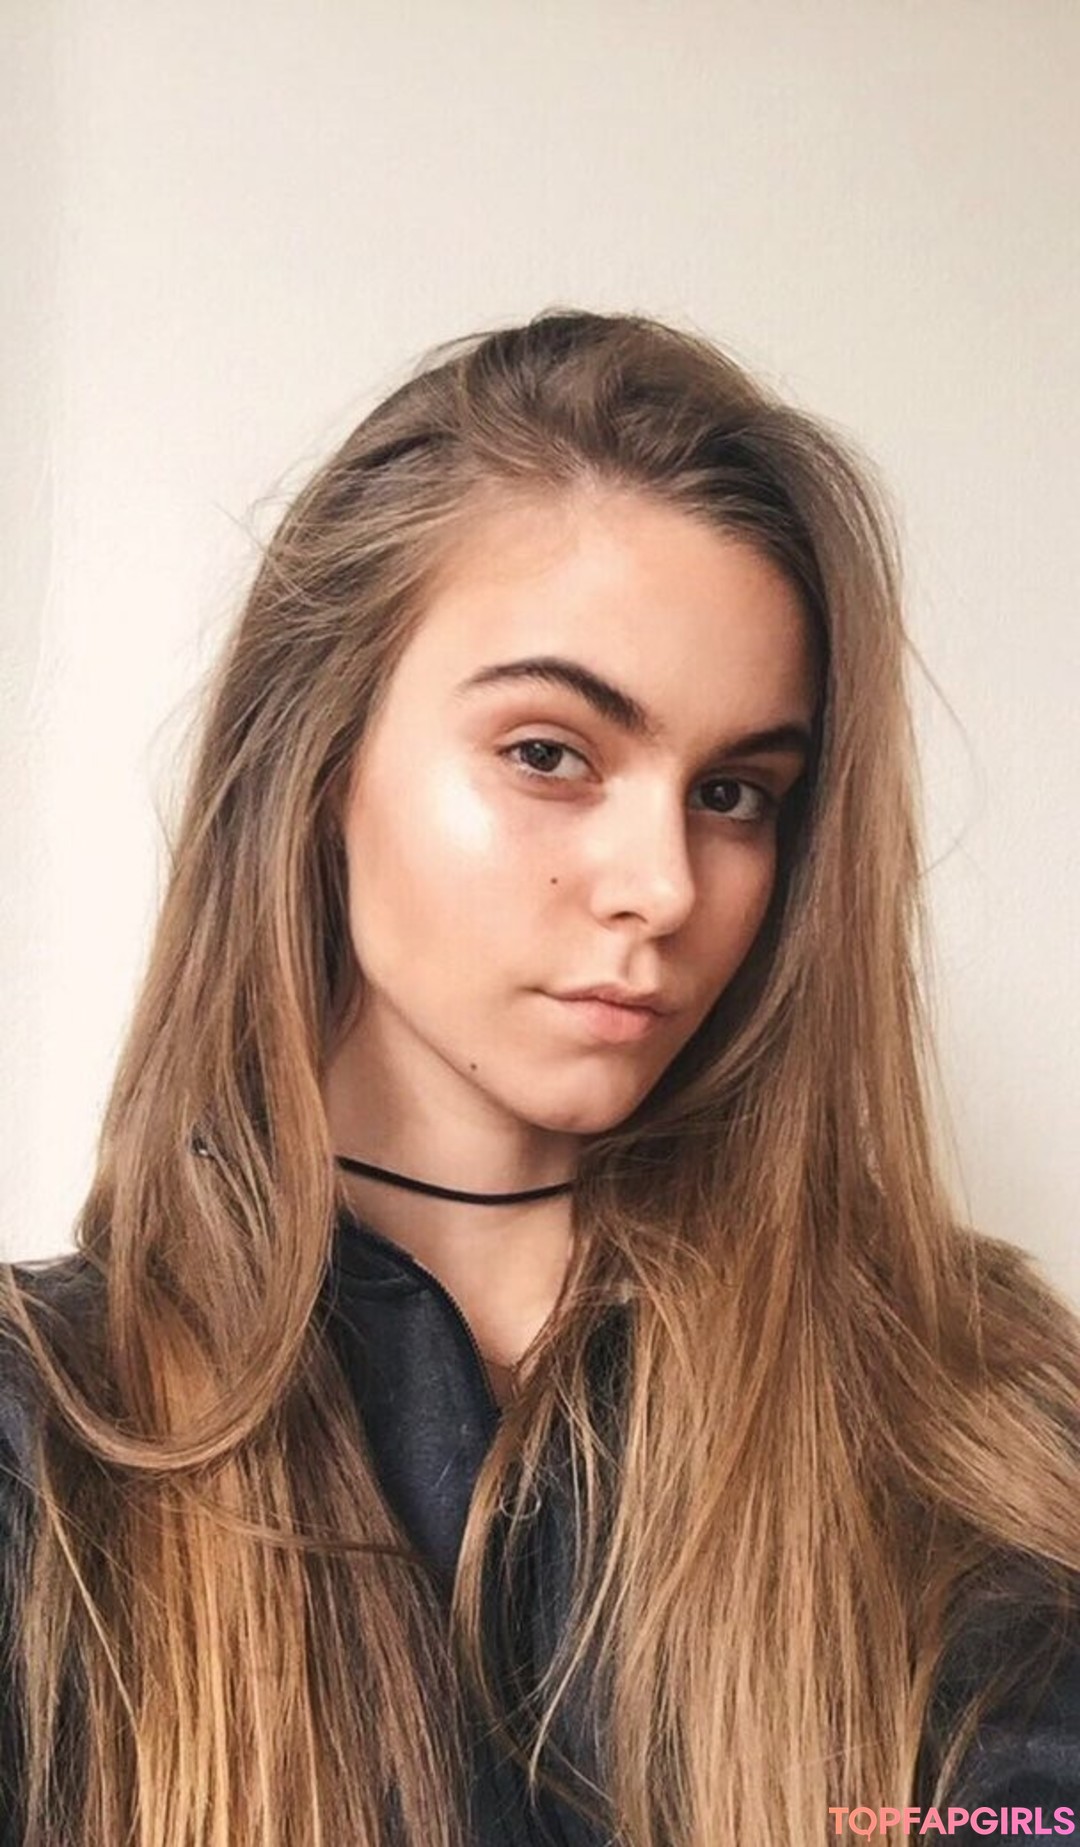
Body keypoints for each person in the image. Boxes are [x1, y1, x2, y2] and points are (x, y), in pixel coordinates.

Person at [1, 309, 1078, 1847]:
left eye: (736, 792)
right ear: (320, 759)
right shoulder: (49, 1441)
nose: (667, 885)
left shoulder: (963, 1401)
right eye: (550, 754)